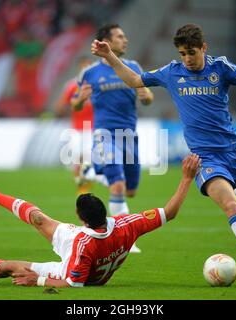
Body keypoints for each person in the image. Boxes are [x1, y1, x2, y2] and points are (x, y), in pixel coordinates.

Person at [91, 23, 236, 278]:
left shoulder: (221, 68)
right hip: (205, 157)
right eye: (182, 53)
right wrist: (110, 56)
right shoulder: (172, 72)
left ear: (204, 47)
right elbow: (135, 80)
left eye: (192, 52)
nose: (187, 59)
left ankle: (232, 184)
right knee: (232, 208)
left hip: (234, 151)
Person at [0, 154, 200, 288]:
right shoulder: (126, 223)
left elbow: (73, 284)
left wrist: (37, 281)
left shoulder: (83, 246)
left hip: (76, 270)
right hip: (90, 245)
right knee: (39, 218)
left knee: (9, 268)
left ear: (81, 220)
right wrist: (186, 178)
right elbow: (170, 212)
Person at [72, 24, 154, 253]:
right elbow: (75, 103)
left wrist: (146, 95)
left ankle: (90, 172)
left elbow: (148, 99)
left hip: (129, 136)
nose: (125, 40)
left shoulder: (134, 67)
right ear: (106, 41)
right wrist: (80, 100)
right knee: (117, 183)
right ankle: (127, 239)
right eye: (120, 36)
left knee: (130, 191)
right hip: (104, 135)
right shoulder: (89, 73)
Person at [54, 56, 97, 195]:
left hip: (92, 128)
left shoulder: (96, 85)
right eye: (83, 67)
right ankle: (81, 189)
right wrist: (63, 110)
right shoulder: (72, 85)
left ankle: (85, 189)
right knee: (77, 159)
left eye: (88, 67)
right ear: (79, 68)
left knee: (88, 159)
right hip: (77, 128)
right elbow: (60, 106)